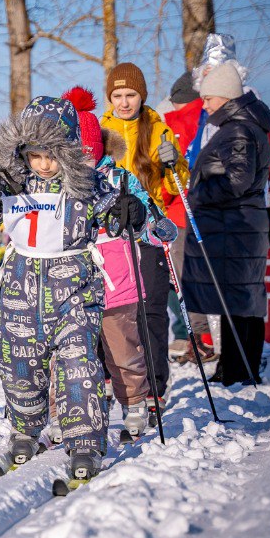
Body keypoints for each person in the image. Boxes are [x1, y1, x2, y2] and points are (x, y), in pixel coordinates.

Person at [0, 95, 145, 483]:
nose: (44, 165)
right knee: (19, 365)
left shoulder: (87, 183)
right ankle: (25, 431)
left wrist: (132, 211)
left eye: (52, 155)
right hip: (20, 286)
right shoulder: (11, 182)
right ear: (22, 151)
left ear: (66, 149)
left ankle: (84, 443)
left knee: (78, 364)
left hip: (74, 287)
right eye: (35, 155)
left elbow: (123, 220)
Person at [63, 85, 159, 440]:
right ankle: (67, 411)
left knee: (123, 350)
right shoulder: (55, 183)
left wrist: (139, 212)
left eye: (89, 155)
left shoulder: (120, 178)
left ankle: (134, 404)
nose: (83, 164)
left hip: (116, 281)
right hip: (68, 283)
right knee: (70, 355)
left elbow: (158, 228)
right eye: (76, 157)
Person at [99, 62, 188, 406]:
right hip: (107, 230)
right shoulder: (100, 129)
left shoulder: (158, 128)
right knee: (107, 307)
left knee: (150, 307)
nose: (124, 102)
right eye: (118, 95)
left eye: (131, 95)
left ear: (142, 95)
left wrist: (173, 162)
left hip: (147, 225)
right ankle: (107, 377)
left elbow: (175, 186)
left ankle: (153, 387)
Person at [181, 60, 270, 385]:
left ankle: (237, 372)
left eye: (208, 98)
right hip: (239, 226)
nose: (204, 104)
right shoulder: (244, 125)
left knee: (238, 301)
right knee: (241, 299)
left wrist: (198, 194)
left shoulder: (237, 130)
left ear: (225, 96)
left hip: (235, 227)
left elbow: (237, 180)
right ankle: (238, 368)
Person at [161, 70, 214, 362]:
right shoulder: (211, 118)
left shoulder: (176, 123)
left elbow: (170, 174)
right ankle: (199, 338)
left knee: (182, 279)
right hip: (208, 211)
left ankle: (201, 340)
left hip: (181, 213)